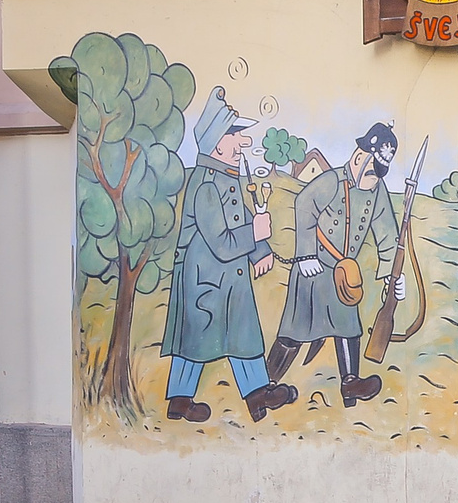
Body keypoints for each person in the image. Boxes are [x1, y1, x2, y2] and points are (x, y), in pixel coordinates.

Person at [162, 87, 294, 423]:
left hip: (229, 277)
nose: (244, 143)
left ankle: (257, 393)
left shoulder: (226, 178)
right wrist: (257, 235)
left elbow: (242, 220)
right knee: (197, 338)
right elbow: (221, 241)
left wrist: (259, 250)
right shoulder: (207, 185)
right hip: (205, 278)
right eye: (236, 135)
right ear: (217, 143)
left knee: (242, 331)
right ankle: (179, 399)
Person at [270, 123, 406, 407]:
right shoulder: (331, 181)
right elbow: (304, 203)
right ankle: (267, 385)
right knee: (295, 330)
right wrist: (306, 254)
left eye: (381, 173)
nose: (375, 179)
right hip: (314, 269)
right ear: (359, 157)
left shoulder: (376, 190)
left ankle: (350, 384)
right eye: (372, 171)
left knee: (347, 325)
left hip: (344, 275)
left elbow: (387, 233)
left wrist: (392, 277)